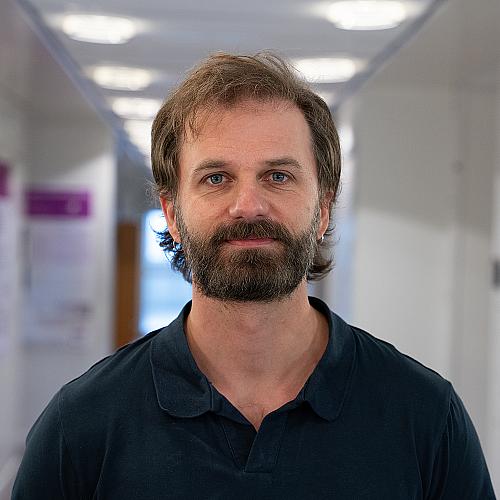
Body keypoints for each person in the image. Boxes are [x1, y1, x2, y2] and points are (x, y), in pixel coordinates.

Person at [12, 53, 495, 499]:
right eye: (216, 178)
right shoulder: (81, 425)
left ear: (324, 209)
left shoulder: (426, 417)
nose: (248, 205)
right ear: (172, 213)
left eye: (278, 176)